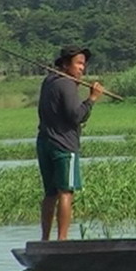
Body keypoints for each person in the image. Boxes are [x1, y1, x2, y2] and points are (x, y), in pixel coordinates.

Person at [36, 45, 104, 241]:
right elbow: (76, 116)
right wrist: (91, 98)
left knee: (50, 193)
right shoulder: (66, 84)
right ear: (65, 65)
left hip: (45, 143)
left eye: (84, 64)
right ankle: (62, 240)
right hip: (64, 146)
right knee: (66, 192)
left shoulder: (49, 81)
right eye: (78, 64)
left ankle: (45, 240)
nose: (82, 68)